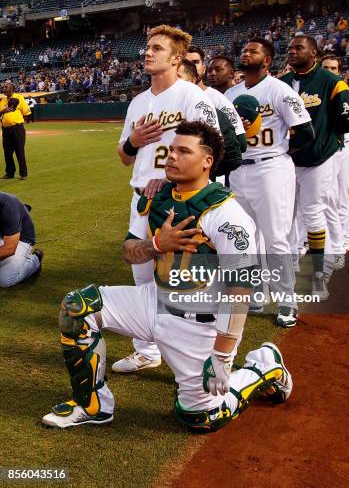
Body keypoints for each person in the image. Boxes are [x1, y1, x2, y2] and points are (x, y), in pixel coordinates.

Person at [42, 121, 292, 429]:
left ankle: (262, 365)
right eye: (171, 150)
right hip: (154, 299)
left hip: (198, 324)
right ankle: (93, 406)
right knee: (77, 307)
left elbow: (239, 292)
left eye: (183, 151)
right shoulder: (156, 198)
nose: (171, 156)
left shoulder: (228, 216)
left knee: (200, 417)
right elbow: (129, 251)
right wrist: (157, 244)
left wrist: (223, 357)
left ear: (207, 161)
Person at [114, 25, 219, 374]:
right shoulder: (138, 102)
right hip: (141, 199)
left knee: (179, 280)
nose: (147, 52)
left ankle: (190, 354)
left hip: (177, 200)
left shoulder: (192, 97)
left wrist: (172, 177)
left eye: (156, 48)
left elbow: (212, 150)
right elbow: (124, 156)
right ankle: (146, 350)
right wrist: (133, 140)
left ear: (176, 59)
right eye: (147, 46)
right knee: (141, 275)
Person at [226, 38, 314, 328]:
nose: (246, 53)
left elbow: (304, 130)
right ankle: (256, 294)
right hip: (240, 169)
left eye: (253, 51)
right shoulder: (232, 93)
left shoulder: (279, 90)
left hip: (270, 169)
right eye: (244, 49)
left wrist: (281, 153)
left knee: (276, 238)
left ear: (267, 60)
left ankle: (287, 300)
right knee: (245, 238)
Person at [282, 37, 349, 300]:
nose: (293, 52)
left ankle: (319, 273)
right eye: (290, 48)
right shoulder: (281, 83)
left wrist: (327, 140)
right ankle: (290, 263)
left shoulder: (331, 81)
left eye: (299, 48)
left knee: (314, 213)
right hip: (285, 161)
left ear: (313, 52)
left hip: (318, 160)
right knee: (287, 216)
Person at [320, 55, 349, 252]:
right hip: (320, 151)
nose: (329, 71)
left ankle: (346, 234)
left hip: (340, 150)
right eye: (326, 68)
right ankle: (316, 237)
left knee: (340, 195)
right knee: (319, 196)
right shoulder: (314, 92)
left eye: (333, 68)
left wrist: (341, 135)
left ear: (339, 72)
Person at [176, 59, 245, 177]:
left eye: (196, 61)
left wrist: (206, 172)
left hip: (205, 177)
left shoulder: (216, 100)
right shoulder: (166, 103)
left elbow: (239, 146)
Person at [0, 192, 43, 288]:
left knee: (5, 280)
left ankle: (36, 259)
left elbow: (9, 249)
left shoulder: (9, 204)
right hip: (2, 237)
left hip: (21, 240)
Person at [0, 82, 31, 180]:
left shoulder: (19, 97)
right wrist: (2, 111)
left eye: (6, 87)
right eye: (3, 87)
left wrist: (14, 111)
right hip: (5, 130)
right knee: (7, 153)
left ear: (12, 89)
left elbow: (27, 112)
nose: (3, 88)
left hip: (17, 129)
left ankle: (23, 174)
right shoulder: (2, 100)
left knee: (19, 151)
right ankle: (10, 173)